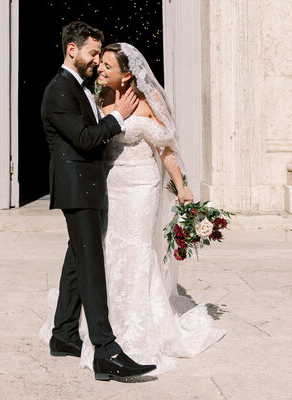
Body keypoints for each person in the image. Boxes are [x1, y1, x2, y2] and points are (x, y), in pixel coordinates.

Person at [76, 42, 226, 371]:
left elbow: (166, 149)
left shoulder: (146, 101)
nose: (100, 69)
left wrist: (183, 186)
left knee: (137, 248)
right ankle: (104, 321)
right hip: (111, 185)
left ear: (128, 75)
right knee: (111, 247)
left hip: (143, 186)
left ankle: (140, 324)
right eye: (100, 64)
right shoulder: (98, 96)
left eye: (107, 67)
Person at [40, 23, 156, 381]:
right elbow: (87, 139)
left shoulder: (77, 87)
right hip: (78, 189)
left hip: (87, 186)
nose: (96, 61)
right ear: (72, 50)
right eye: (92, 53)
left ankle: (62, 334)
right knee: (92, 267)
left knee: (77, 261)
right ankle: (106, 351)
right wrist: (120, 115)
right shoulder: (59, 90)